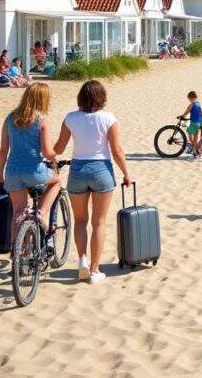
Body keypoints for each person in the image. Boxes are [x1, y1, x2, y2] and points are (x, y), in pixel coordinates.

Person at [54, 80, 131, 285]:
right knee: (99, 222)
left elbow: (59, 148)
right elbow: (116, 151)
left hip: (78, 169)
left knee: (80, 221)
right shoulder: (108, 118)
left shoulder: (70, 118)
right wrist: (126, 173)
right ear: (101, 97)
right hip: (101, 169)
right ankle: (95, 270)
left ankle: (82, 261)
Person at [0, 83, 60, 235]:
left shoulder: (10, 118)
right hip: (34, 171)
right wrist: (55, 159)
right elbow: (46, 151)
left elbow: (3, 150)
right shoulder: (42, 119)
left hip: (12, 172)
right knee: (56, 182)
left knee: (18, 213)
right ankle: (41, 213)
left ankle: (18, 252)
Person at [181, 91, 202, 160]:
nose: (189, 100)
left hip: (193, 123)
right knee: (196, 138)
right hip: (198, 123)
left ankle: (195, 150)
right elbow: (201, 113)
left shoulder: (192, 104)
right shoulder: (200, 104)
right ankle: (198, 151)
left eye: (189, 99)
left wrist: (182, 116)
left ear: (191, 97)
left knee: (190, 137)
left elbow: (187, 111)